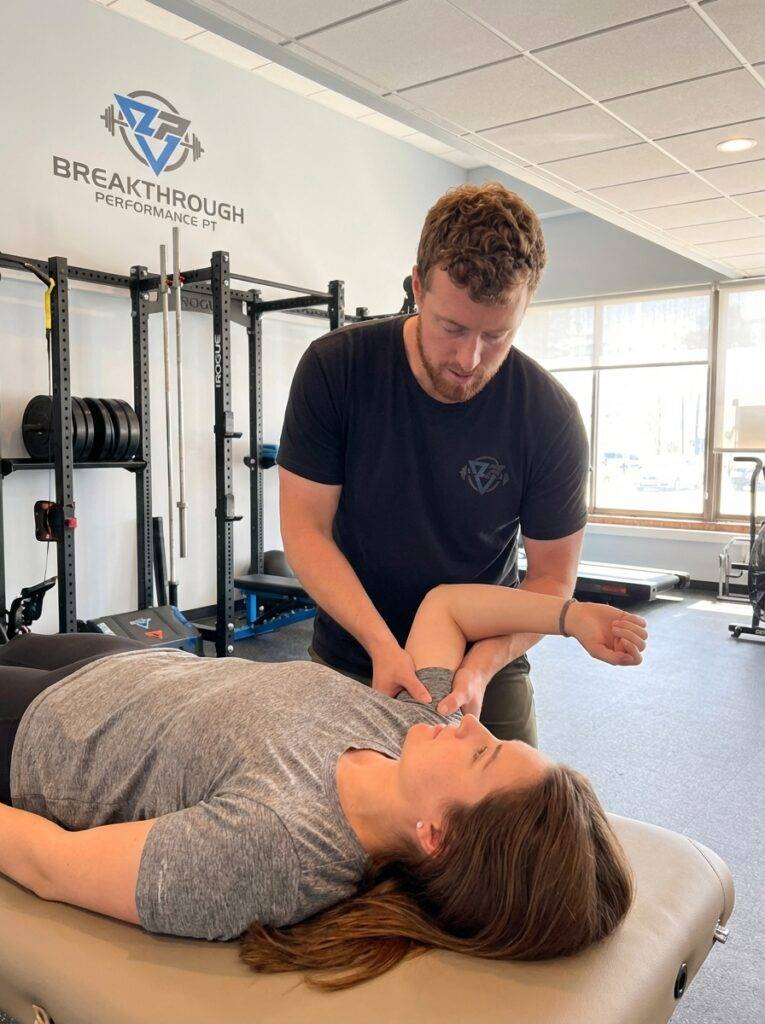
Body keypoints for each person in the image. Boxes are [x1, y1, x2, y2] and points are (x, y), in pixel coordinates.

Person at [1, 586, 646, 990]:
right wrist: (569, 615)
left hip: (46, 734)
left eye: (481, 755)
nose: (469, 722)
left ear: (434, 836)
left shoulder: (278, 846)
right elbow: (445, 604)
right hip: (132, 665)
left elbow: (48, 866)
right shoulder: (417, 729)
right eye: (495, 740)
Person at [277, 181, 589, 748]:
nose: (470, 359)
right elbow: (306, 531)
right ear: (418, 285)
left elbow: (551, 578)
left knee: (511, 831)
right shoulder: (336, 370)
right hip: (354, 647)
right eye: (452, 327)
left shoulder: (549, 415)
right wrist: (379, 646)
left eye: (497, 335)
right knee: (332, 826)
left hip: (488, 655)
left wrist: (483, 666)